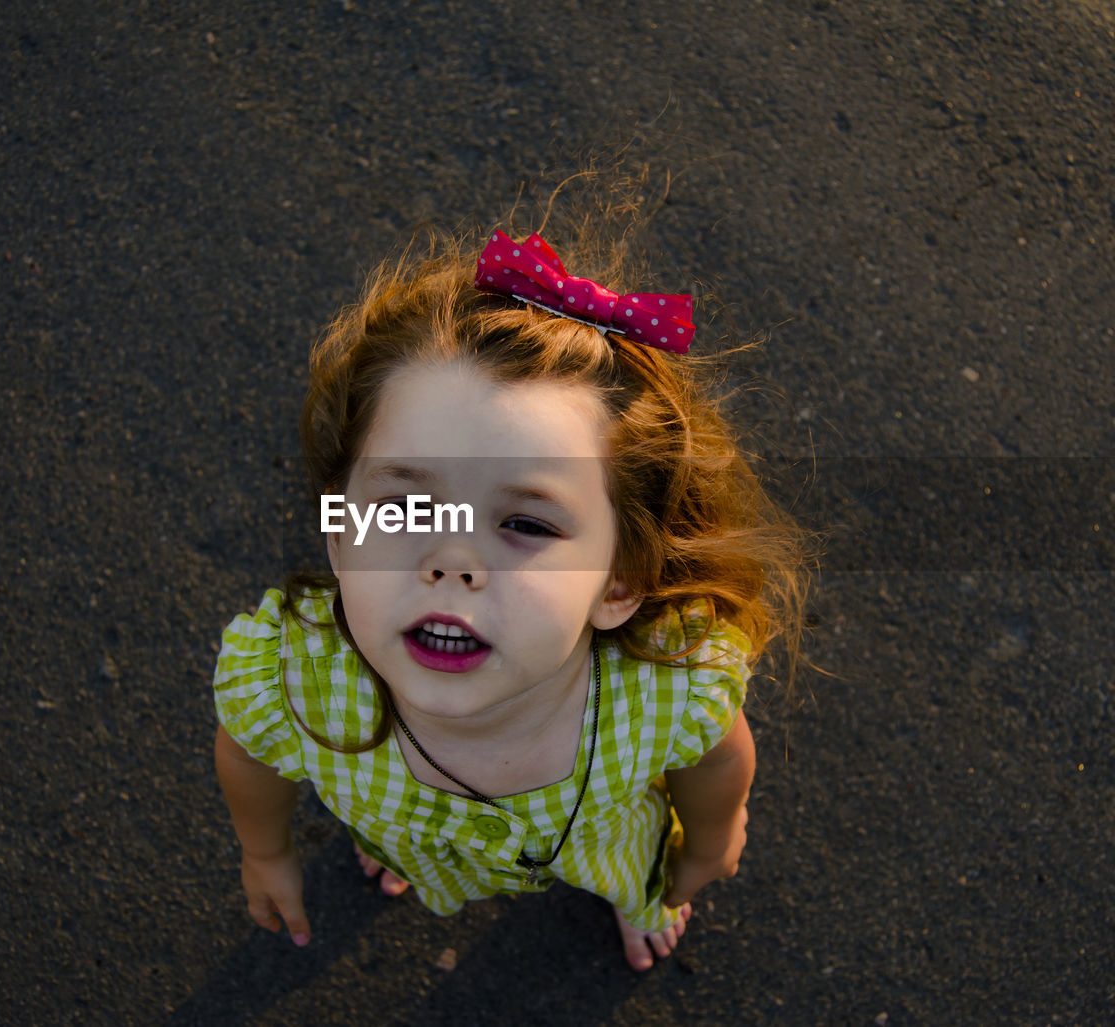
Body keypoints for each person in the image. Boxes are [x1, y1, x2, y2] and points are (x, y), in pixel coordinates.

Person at [213, 220, 806, 971]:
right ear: (338, 531)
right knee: (401, 837)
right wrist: (264, 850)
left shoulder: (670, 687)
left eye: (525, 521)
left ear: (619, 581)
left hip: (601, 844)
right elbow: (247, 756)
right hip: (405, 828)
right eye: (404, 509)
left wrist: (708, 845)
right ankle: (408, 848)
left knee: (635, 874)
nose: (452, 559)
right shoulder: (289, 683)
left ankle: (637, 896)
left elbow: (720, 762)